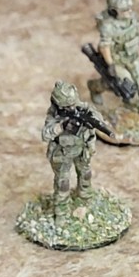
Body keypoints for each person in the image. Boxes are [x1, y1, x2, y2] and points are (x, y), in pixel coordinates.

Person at [87, 0, 139, 119]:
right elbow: (104, 46)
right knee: (123, 84)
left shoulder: (132, 18)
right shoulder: (108, 26)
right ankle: (95, 87)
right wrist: (110, 65)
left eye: (130, 8)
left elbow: (138, 32)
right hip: (117, 60)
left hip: (132, 57)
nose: (129, 11)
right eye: (125, 10)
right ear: (114, 12)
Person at [42, 81, 107, 212]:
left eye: (73, 104)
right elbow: (45, 134)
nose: (72, 107)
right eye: (68, 106)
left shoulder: (82, 107)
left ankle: (85, 199)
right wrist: (61, 126)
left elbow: (99, 119)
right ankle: (61, 211)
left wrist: (91, 116)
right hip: (63, 153)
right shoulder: (54, 116)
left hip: (82, 149)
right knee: (63, 183)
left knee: (85, 175)